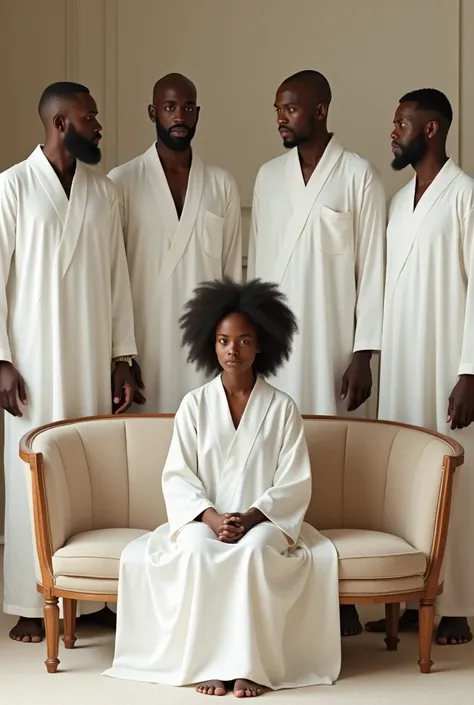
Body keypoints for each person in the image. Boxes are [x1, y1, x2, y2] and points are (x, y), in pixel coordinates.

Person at [104, 279, 341, 696]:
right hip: (204, 518)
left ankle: (251, 666)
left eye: (244, 340)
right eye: (223, 340)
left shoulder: (282, 408)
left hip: (265, 520)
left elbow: (293, 481)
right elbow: (178, 475)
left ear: (261, 345)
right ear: (211, 345)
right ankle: (209, 663)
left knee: (251, 552)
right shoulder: (194, 405)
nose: (233, 350)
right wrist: (213, 519)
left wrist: (248, 519)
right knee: (196, 548)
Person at [247, 69, 386, 637]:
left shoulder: (359, 177)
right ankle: (281, 587)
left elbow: (373, 269)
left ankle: (341, 596)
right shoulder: (266, 177)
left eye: (290, 108)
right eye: (277, 108)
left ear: (321, 110)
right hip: (276, 352)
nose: (280, 117)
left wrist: (364, 352)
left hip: (331, 348)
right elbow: (257, 267)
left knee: (329, 465)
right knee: (275, 463)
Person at [0, 82, 137, 643]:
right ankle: (31, 602)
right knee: (32, 471)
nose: (98, 124)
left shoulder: (104, 193)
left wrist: (121, 357)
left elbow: (117, 280)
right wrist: (0, 360)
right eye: (90, 116)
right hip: (30, 362)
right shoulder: (11, 187)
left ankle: (89, 591)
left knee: (88, 473)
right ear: (60, 123)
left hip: (87, 359)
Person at [364, 89, 473, 646]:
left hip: (446, 361)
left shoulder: (466, 195)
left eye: (401, 123)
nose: (393, 131)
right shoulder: (397, 200)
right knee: (409, 478)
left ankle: (455, 603)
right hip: (403, 361)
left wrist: (470, 371)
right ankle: (413, 595)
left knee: (453, 474)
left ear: (430, 130)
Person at [108, 73, 242, 414]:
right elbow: (111, 275)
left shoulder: (221, 185)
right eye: (169, 107)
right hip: (144, 344)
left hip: (204, 346)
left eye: (186, 108)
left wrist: (230, 349)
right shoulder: (121, 182)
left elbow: (231, 280)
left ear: (197, 113)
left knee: (206, 447)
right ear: (153, 113)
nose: (179, 117)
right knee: (143, 453)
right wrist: (121, 355)